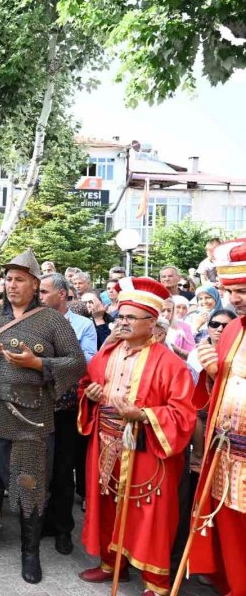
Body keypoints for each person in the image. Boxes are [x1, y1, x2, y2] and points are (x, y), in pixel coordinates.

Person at [0, 249, 87, 584]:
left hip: (32, 416)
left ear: (35, 284)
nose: (12, 284)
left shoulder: (52, 321)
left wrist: (39, 365)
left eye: (19, 279)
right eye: (8, 278)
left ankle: (29, 553)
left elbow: (78, 363)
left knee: (30, 485)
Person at [77, 277, 195, 595]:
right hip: (104, 442)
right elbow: (87, 383)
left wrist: (143, 414)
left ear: (152, 322)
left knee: (150, 514)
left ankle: (156, 583)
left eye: (131, 317)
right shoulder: (108, 353)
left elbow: (184, 414)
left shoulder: (171, 365)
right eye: (121, 316)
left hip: (146, 447)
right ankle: (111, 564)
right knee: (107, 504)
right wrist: (90, 393)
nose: (123, 322)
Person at [187, 237, 246, 595]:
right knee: (231, 537)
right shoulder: (233, 330)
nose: (235, 299)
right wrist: (211, 375)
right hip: (227, 455)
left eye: (243, 289)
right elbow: (218, 391)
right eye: (230, 291)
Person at [38, 274, 97, 556]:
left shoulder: (83, 325)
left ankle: (62, 529)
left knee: (63, 470)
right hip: (37, 406)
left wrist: (47, 360)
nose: (40, 296)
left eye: (45, 291)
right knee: (39, 470)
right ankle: (42, 522)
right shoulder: (34, 321)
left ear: (62, 294)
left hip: (67, 409)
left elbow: (86, 361)